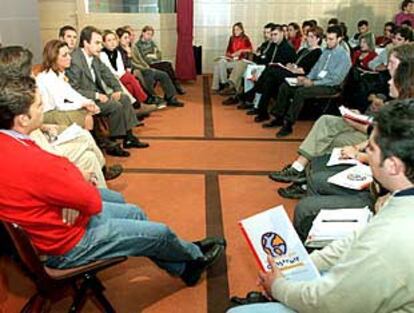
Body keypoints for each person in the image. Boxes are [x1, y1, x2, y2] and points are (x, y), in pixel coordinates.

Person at [0, 76, 226, 287]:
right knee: (161, 233)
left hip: (49, 226)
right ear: (23, 119)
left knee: (135, 213)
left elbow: (58, 178)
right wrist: (72, 190)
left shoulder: (8, 142)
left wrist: (69, 192)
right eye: (39, 105)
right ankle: (193, 257)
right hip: (65, 246)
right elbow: (90, 201)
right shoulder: (31, 160)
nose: (44, 108)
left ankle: (184, 264)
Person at [227, 98, 414, 313]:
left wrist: (278, 287)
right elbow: (355, 241)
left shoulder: (391, 238)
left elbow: (326, 303)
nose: (366, 155)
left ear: (393, 166)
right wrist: (300, 265)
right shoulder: (399, 200)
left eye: (371, 149)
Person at [268, 43, 414, 187]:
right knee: (325, 121)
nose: (388, 66)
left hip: (376, 137)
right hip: (373, 128)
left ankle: (306, 179)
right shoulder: (397, 86)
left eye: (392, 63)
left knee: (332, 138)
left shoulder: (406, 97)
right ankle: (300, 171)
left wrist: (358, 138)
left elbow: (387, 134)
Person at [0, 45, 122, 187]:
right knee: (85, 138)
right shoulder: (30, 92)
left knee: (88, 154)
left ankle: (100, 190)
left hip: (41, 134)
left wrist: (85, 103)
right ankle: (99, 187)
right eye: (29, 71)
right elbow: (40, 155)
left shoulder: (51, 78)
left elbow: (70, 95)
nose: (33, 75)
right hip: (44, 143)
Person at [66, 26, 149, 156]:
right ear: (86, 43)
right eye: (97, 43)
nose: (100, 46)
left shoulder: (94, 57)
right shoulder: (75, 60)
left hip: (98, 94)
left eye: (100, 42)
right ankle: (113, 143)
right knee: (114, 106)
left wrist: (117, 89)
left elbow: (108, 74)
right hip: (85, 99)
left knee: (124, 98)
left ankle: (129, 137)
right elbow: (73, 90)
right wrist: (97, 95)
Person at [269, 25, 352, 137]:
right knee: (286, 86)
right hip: (317, 81)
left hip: (330, 86)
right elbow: (316, 68)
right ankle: (278, 117)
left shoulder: (343, 56)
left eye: (331, 39)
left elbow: (335, 79)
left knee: (301, 92)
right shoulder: (326, 52)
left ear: (339, 39)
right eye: (327, 38)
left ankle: (288, 124)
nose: (328, 42)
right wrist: (307, 78)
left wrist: (313, 83)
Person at [244, 26, 323, 122]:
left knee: (271, 68)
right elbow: (293, 62)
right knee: (269, 80)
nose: (308, 39)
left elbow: (305, 70)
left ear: (318, 39)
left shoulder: (317, 52)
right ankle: (262, 111)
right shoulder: (304, 50)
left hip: (300, 77)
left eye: (312, 37)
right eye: (308, 36)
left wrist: (294, 68)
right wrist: (291, 66)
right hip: (291, 71)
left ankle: (253, 92)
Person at [36, 40, 100, 130]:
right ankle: (91, 140)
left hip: (56, 111)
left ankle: (93, 140)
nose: (69, 58)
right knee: (84, 115)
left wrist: (88, 102)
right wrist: (83, 104)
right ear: (53, 58)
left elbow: (72, 94)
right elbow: (60, 105)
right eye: (64, 55)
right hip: (46, 114)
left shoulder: (59, 74)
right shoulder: (47, 77)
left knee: (89, 110)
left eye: (69, 54)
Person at [219, 22, 276, 97]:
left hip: (261, 65)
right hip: (254, 62)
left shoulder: (274, 45)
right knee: (229, 63)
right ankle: (235, 91)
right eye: (265, 32)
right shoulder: (265, 44)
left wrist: (257, 55)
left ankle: (233, 87)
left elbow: (265, 58)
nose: (266, 35)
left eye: (268, 33)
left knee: (240, 64)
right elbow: (258, 53)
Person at [131, 28, 184, 107]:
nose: (149, 36)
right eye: (148, 34)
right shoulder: (137, 46)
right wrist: (147, 64)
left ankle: (171, 97)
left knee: (166, 69)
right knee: (163, 68)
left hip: (149, 64)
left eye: (151, 35)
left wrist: (152, 57)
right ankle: (154, 96)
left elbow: (158, 55)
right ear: (143, 33)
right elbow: (141, 60)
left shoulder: (151, 43)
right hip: (145, 66)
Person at [100, 30, 149, 105]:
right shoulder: (102, 54)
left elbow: (121, 68)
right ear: (104, 43)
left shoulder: (117, 52)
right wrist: (121, 75)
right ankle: (144, 99)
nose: (112, 42)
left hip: (121, 76)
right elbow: (110, 71)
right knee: (130, 77)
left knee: (129, 86)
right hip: (111, 79)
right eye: (109, 40)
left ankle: (133, 107)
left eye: (114, 39)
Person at [211, 22, 253, 92]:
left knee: (218, 66)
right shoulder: (232, 38)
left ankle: (219, 86)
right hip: (232, 59)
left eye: (237, 30)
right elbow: (228, 50)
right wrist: (228, 56)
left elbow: (250, 49)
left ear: (242, 30)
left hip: (240, 61)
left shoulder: (245, 39)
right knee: (220, 62)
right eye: (234, 30)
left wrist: (240, 51)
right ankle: (224, 83)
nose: (235, 31)